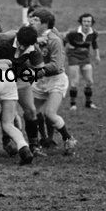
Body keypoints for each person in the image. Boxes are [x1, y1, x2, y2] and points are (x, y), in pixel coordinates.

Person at [28, 8, 77, 155]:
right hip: (40, 79)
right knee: (31, 112)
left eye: (36, 20)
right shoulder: (33, 37)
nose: (31, 22)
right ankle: (37, 144)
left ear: (45, 24)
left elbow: (56, 65)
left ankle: (68, 139)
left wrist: (36, 69)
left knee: (50, 113)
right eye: (32, 19)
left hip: (56, 79)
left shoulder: (54, 40)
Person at [0, 26, 44, 155]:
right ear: (16, 38)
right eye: (20, 44)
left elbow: (41, 70)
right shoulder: (4, 39)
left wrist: (33, 73)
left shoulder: (34, 48)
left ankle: (34, 146)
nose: (22, 47)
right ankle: (7, 142)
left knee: (31, 110)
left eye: (25, 46)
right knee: (8, 112)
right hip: (0, 76)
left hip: (20, 77)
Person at [64, 13, 101, 110]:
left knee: (89, 81)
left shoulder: (94, 33)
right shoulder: (73, 32)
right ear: (81, 22)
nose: (86, 23)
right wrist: (65, 51)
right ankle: (73, 104)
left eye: (89, 21)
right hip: (73, 57)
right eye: (84, 21)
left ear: (92, 23)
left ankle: (88, 103)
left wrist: (97, 56)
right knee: (75, 82)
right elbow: (63, 41)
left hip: (85, 57)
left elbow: (94, 44)